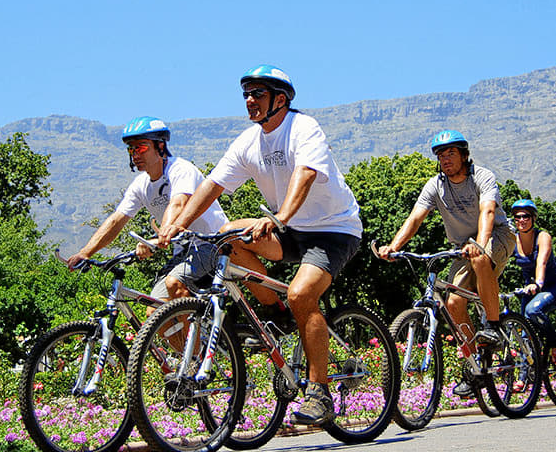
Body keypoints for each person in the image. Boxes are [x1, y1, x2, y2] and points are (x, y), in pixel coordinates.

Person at [158, 64, 363, 426]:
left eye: (258, 94)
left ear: (280, 100)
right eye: (246, 94)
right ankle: (276, 314)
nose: (250, 101)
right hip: (290, 227)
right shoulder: (248, 141)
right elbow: (212, 186)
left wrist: (280, 218)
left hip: (333, 229)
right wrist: (178, 224)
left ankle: (319, 393)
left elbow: (306, 174)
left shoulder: (303, 128)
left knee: (302, 294)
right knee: (225, 235)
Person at [374, 129, 514, 398]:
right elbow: (415, 218)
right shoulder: (435, 185)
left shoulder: (481, 176)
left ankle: (493, 327)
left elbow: (488, 211)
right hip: (462, 247)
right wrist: (394, 246)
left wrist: (481, 245)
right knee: (452, 304)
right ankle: (475, 367)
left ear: (464, 155)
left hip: (496, 235)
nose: (445, 159)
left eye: (451, 153)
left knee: (480, 258)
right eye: (441, 155)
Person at [66, 116, 228, 309]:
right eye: (131, 149)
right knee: (153, 312)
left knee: (174, 283)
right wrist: (86, 252)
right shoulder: (140, 185)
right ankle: (191, 336)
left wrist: (160, 236)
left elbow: (178, 203)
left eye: (141, 147)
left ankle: (196, 339)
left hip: (211, 243)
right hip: (183, 251)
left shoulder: (180, 168)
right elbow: (117, 219)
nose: (135, 154)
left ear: (160, 146)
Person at [510, 199, 556, 391]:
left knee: (533, 310)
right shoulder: (513, 239)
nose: (521, 220)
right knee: (522, 332)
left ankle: (555, 343)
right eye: (517, 217)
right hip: (529, 289)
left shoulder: (542, 237)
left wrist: (538, 283)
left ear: (533, 218)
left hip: (552, 286)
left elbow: (541, 262)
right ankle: (523, 377)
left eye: (526, 216)